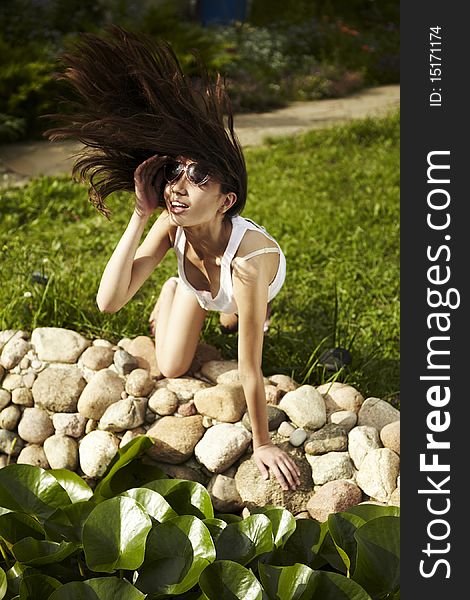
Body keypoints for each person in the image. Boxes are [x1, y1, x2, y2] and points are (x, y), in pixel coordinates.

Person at [46, 26, 301, 492]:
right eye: (175, 173)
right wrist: (141, 216)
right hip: (199, 283)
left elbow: (249, 371)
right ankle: (175, 290)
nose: (178, 187)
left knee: (238, 325)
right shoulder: (169, 222)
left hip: (243, 282)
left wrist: (262, 442)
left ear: (227, 200)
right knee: (173, 365)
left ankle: (247, 312)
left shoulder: (248, 264)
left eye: (199, 176)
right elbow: (109, 303)